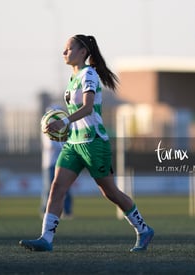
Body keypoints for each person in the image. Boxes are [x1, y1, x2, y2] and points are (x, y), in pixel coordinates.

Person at [19, 34, 154, 252]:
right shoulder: (73, 78)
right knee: (56, 187)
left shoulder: (88, 74)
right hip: (73, 143)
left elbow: (88, 107)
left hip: (94, 142)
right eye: (64, 49)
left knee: (110, 192)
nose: (64, 53)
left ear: (83, 52)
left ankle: (143, 229)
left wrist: (62, 121)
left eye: (69, 49)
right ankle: (46, 239)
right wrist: (63, 130)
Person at [41, 108, 73, 218]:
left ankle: (67, 211)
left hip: (64, 161)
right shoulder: (46, 128)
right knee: (49, 188)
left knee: (66, 188)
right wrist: (62, 140)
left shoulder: (66, 128)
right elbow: (51, 145)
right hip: (50, 163)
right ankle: (45, 211)